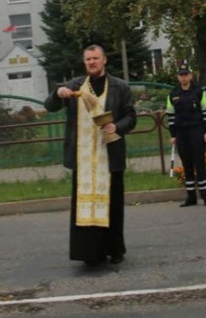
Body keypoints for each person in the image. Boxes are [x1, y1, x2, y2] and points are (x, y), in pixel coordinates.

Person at [44, 45, 137, 266]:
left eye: (95, 58)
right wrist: (58, 93)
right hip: (83, 157)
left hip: (109, 155)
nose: (92, 62)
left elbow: (131, 117)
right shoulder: (75, 85)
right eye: (88, 59)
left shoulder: (120, 87)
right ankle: (89, 253)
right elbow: (50, 106)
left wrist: (117, 126)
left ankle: (115, 250)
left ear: (104, 60)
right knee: (84, 205)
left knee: (112, 205)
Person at [166, 63, 206, 207]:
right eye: (181, 75)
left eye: (186, 75)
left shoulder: (199, 92)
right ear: (178, 77)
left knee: (199, 164)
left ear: (191, 76)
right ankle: (191, 197)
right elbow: (171, 116)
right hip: (181, 134)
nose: (184, 78)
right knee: (187, 165)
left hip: (197, 131)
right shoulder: (173, 94)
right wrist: (173, 135)